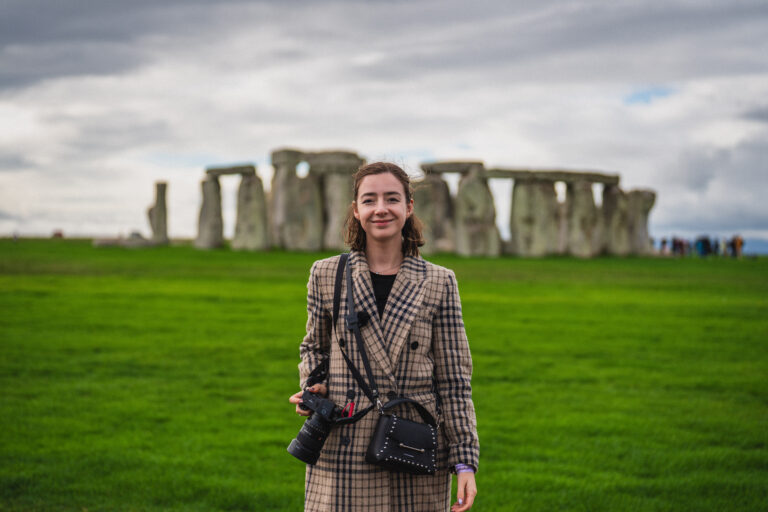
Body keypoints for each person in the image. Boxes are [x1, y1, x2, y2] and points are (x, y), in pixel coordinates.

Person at [289, 162, 479, 511]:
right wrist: (313, 385)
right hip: (346, 442)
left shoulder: (440, 281)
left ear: (408, 207)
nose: (381, 208)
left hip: (413, 445)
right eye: (369, 199)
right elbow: (313, 347)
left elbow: (454, 380)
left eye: (392, 199)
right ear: (356, 210)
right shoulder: (326, 273)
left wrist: (465, 461)